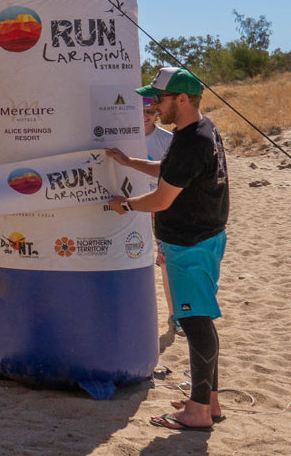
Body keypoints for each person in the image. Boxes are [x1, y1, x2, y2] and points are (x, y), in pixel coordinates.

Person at [105, 67, 230, 431]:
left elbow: (161, 199)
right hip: (201, 239)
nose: (153, 106)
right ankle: (209, 400)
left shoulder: (193, 141)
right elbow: (172, 169)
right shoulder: (198, 132)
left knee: (194, 322)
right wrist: (131, 163)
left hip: (190, 244)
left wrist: (125, 205)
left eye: (158, 99)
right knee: (199, 318)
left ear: (182, 99)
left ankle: (198, 412)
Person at [141, 96, 178, 334]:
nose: (144, 116)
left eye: (149, 111)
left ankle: (176, 316)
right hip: (129, 208)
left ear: (156, 112)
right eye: (140, 111)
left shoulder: (169, 140)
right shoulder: (119, 138)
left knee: (167, 264)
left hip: (161, 209)